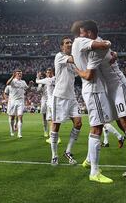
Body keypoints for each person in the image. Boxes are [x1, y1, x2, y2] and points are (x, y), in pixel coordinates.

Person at [78, 20, 126, 177]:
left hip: (119, 86)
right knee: (119, 122)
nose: (80, 36)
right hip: (110, 90)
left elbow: (101, 52)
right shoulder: (100, 42)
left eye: (82, 33)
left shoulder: (97, 45)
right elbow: (109, 51)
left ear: (89, 33)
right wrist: (113, 52)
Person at [72, 20, 114, 183]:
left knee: (99, 125)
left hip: (94, 89)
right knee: (96, 127)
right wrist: (108, 44)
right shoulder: (82, 41)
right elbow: (89, 74)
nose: (81, 34)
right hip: (94, 90)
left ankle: (89, 161)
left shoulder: (82, 44)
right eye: (81, 32)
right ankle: (94, 172)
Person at [49, 36, 83, 166]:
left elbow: (80, 71)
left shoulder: (73, 62)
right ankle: (54, 155)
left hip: (71, 97)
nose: (70, 44)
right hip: (60, 96)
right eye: (67, 43)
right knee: (56, 125)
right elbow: (74, 58)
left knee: (78, 123)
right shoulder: (60, 56)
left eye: (71, 42)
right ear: (62, 46)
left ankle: (68, 151)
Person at [6, 69, 30, 138]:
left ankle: (19, 133)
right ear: (15, 74)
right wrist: (12, 76)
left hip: (21, 101)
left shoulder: (23, 82)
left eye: (21, 73)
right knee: (12, 117)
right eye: (18, 73)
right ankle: (11, 130)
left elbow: (27, 90)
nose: (20, 75)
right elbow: (7, 83)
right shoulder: (13, 81)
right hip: (12, 101)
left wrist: (30, 85)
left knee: (20, 116)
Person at [36, 71, 50, 137]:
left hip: (50, 99)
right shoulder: (41, 82)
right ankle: (45, 131)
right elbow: (38, 90)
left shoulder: (50, 80)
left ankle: (51, 131)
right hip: (44, 99)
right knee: (44, 115)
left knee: (51, 116)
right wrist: (41, 84)